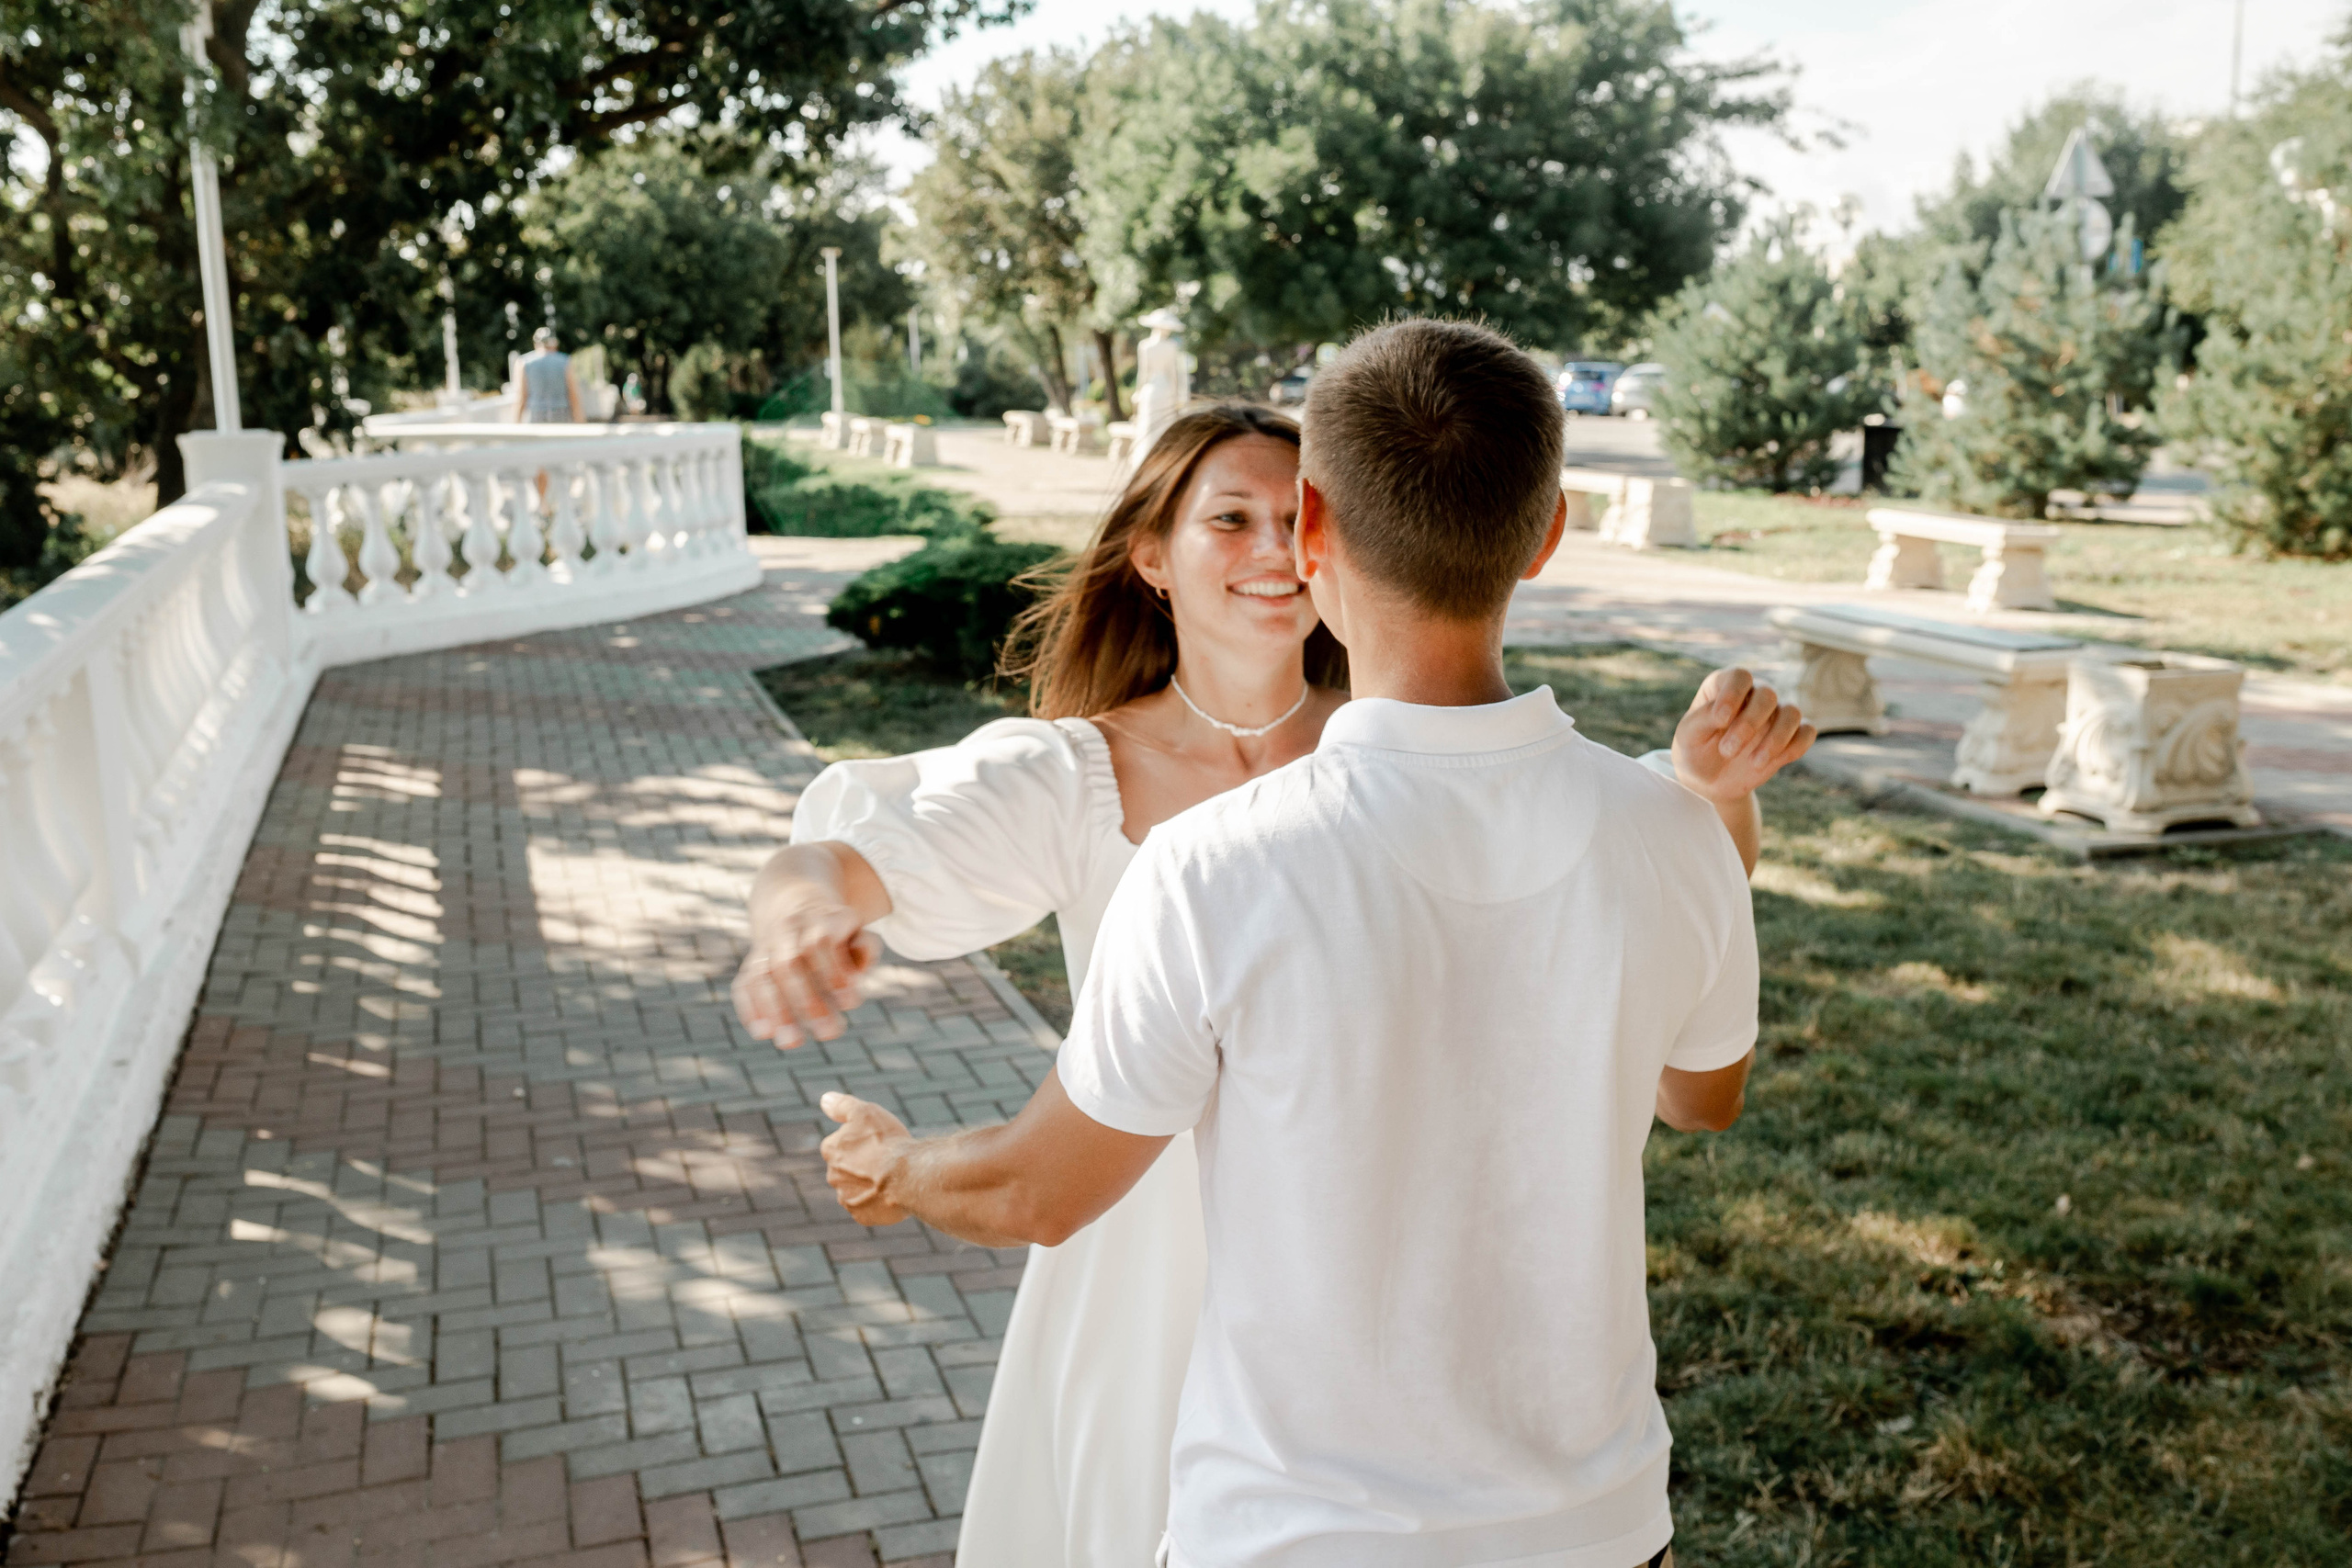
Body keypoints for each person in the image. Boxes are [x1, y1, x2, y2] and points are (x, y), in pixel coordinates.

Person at [736, 399, 1809, 1565]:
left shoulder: (1415, 746)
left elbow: (1631, 896)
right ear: (1149, 553)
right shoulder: (1075, 774)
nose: (1263, 550)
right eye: (1223, 518)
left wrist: (1713, 794)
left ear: (1325, 532)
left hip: (1385, 1253)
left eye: (1279, 515)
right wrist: (802, 907)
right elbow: (848, 855)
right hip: (1135, 1247)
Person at [513, 326, 582, 423]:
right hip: (561, 416)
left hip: (535, 416)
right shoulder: (565, 361)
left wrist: (516, 423)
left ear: (536, 344)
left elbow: (521, 397)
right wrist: (581, 422)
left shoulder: (523, 362)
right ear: (554, 343)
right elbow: (573, 395)